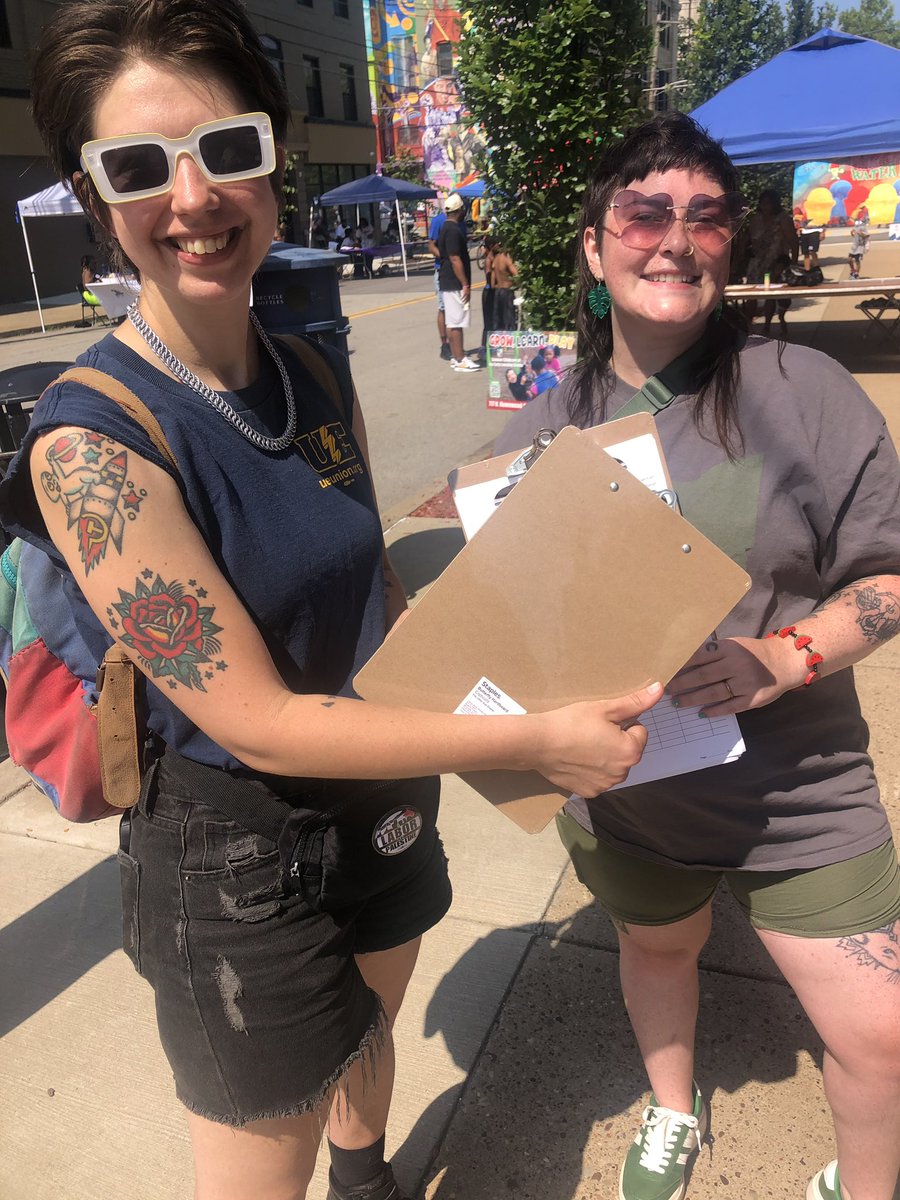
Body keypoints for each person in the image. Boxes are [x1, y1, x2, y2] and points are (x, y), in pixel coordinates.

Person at [0, 5, 663, 1199]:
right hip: (239, 856)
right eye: (141, 167)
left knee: (371, 1037)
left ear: (275, 158)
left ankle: (370, 1180)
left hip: (387, 788)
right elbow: (252, 717)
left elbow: (376, 588)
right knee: (262, 1164)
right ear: (99, 201)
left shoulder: (310, 368)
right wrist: (530, 740)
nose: (195, 197)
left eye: (227, 148)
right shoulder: (90, 448)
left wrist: (549, 626)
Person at [495, 112, 900, 1200]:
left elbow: (890, 576)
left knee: (885, 1036)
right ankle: (672, 1109)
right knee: (660, 951)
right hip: (629, 797)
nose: (677, 238)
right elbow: (483, 613)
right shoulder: (543, 428)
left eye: (707, 215)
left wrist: (787, 655)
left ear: (732, 241)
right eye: (645, 211)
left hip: (801, 789)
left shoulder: (805, 391)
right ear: (594, 244)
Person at [744, 187, 798, 335]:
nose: (765, 206)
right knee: (751, 294)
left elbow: (793, 242)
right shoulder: (756, 219)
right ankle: (749, 325)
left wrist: (792, 264)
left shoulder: (783, 219)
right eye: (763, 203)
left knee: (770, 294)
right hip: (756, 263)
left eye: (768, 203)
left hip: (774, 263)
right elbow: (747, 240)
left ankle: (767, 325)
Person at [437, 192, 480, 371]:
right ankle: (461, 358)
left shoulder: (445, 228)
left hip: (447, 280)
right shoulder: (454, 230)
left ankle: (456, 356)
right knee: (457, 322)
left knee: (453, 321)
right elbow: (455, 258)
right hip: (454, 282)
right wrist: (465, 284)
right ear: (459, 211)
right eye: (463, 209)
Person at [427, 200, 450, 360]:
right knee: (443, 308)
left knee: (456, 309)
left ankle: (456, 345)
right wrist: (444, 257)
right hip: (442, 269)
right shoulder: (438, 221)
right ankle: (445, 344)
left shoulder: (460, 222)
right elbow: (431, 245)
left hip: (456, 270)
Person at [490, 239, 518, 331]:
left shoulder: (496, 259)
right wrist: (515, 284)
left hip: (498, 292)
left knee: (499, 320)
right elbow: (516, 274)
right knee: (510, 320)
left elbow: (492, 283)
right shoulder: (506, 258)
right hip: (507, 291)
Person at [849, 207, 870, 279]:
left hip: (860, 246)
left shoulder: (863, 227)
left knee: (857, 260)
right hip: (854, 245)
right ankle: (853, 270)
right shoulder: (856, 226)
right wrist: (852, 232)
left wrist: (861, 234)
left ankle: (856, 274)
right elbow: (853, 232)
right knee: (849, 260)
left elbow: (867, 235)